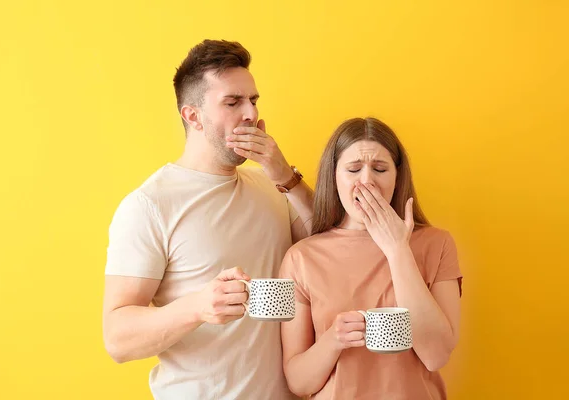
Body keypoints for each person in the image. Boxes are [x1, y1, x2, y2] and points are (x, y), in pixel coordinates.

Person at [102, 39, 313, 399]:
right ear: (193, 116)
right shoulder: (150, 205)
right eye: (233, 102)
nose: (250, 113)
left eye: (253, 101)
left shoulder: (272, 187)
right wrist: (198, 306)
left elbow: (330, 251)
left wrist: (285, 177)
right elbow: (118, 339)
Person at [280, 117, 463, 399]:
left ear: (397, 177)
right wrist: (333, 340)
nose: (367, 181)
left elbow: (436, 355)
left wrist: (397, 250)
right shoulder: (301, 258)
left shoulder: (437, 244)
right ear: (334, 176)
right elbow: (298, 382)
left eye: (379, 169)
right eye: (353, 169)